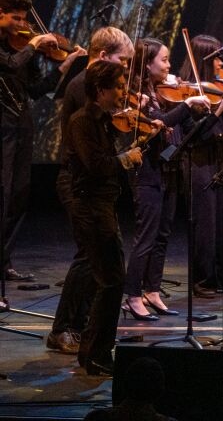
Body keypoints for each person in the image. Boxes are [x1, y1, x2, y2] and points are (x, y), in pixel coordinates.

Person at [47, 26, 133, 354]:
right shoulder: (83, 86)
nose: (125, 73)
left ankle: (86, 327)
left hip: (95, 186)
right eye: (121, 62)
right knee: (88, 255)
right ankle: (62, 329)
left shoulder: (94, 85)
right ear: (101, 58)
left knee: (101, 258)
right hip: (78, 183)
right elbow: (98, 132)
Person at [123, 38, 213, 319]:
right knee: (146, 237)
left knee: (162, 236)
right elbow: (160, 121)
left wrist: (207, 109)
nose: (170, 65)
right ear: (147, 64)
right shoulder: (137, 96)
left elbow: (182, 125)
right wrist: (186, 104)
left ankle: (152, 290)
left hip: (169, 169)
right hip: (147, 172)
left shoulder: (162, 91)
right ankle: (133, 296)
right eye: (163, 60)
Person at [0, 0, 85, 281]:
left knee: (19, 195)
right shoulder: (14, 50)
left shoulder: (26, 50)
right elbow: (9, 64)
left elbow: (37, 90)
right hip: (1, 126)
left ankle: (4, 260)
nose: (23, 25)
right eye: (15, 19)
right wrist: (33, 45)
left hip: (21, 125)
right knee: (2, 192)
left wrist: (65, 64)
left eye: (24, 19)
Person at [66, 60, 143, 375]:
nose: (123, 93)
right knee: (111, 282)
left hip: (103, 207)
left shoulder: (104, 121)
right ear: (100, 90)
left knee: (111, 282)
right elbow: (95, 165)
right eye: (119, 86)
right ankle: (98, 354)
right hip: (92, 208)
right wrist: (125, 158)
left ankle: (92, 353)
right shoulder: (82, 121)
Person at [180, 35, 223, 295]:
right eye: (215, 57)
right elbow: (196, 135)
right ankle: (202, 280)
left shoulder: (216, 89)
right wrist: (219, 108)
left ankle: (219, 275)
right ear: (204, 60)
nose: (220, 63)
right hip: (199, 162)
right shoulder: (188, 95)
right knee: (206, 223)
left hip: (220, 158)